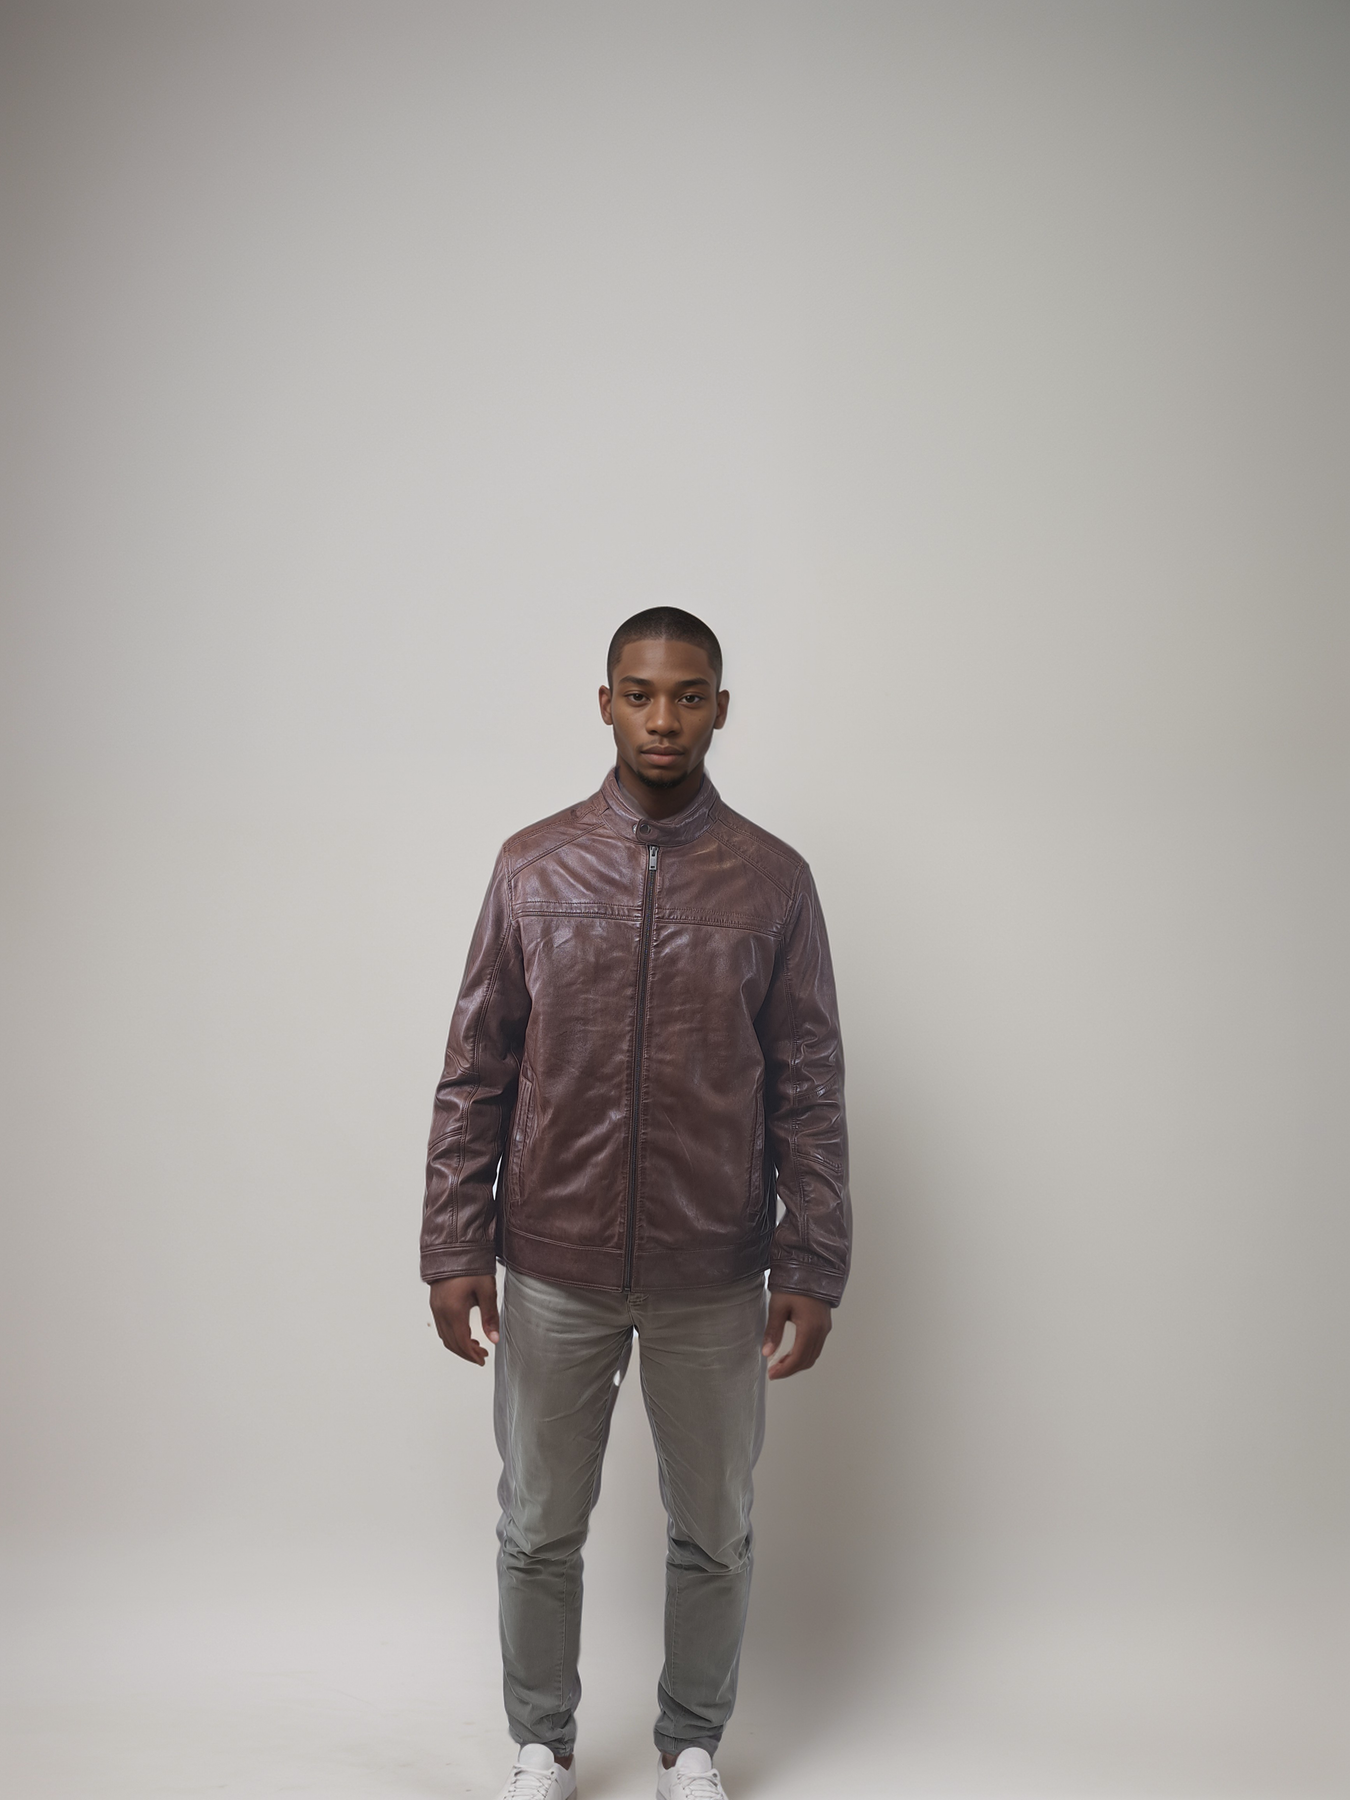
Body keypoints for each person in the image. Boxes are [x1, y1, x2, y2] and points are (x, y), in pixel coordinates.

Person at [421, 608, 851, 1800]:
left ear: (722, 709)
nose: (665, 718)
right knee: (537, 1524)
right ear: (605, 702)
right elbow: (476, 1067)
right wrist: (454, 1243)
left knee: (714, 1526)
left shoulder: (773, 882)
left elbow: (809, 1082)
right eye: (642, 693)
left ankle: (692, 1745)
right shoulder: (533, 867)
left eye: (689, 695)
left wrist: (811, 1260)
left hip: (713, 1271)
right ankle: (541, 1746)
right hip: (552, 1263)